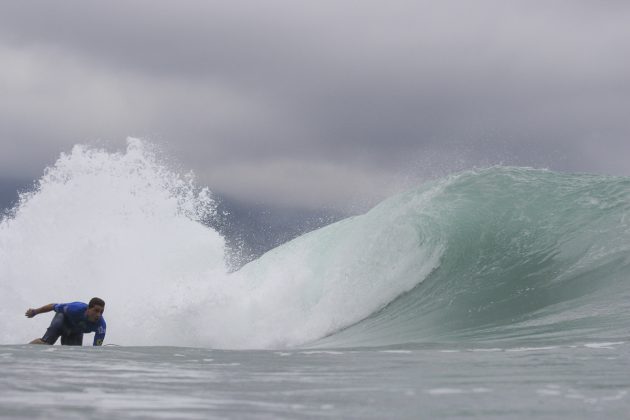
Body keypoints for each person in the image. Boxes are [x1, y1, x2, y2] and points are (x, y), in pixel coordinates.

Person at [25, 297, 106, 346]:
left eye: (101, 312)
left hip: (75, 331)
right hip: (62, 321)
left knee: (74, 355)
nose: (98, 314)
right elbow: (53, 306)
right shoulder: (74, 309)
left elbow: (96, 350)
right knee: (44, 344)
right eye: (96, 310)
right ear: (88, 309)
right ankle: (26, 350)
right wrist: (35, 312)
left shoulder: (101, 327)